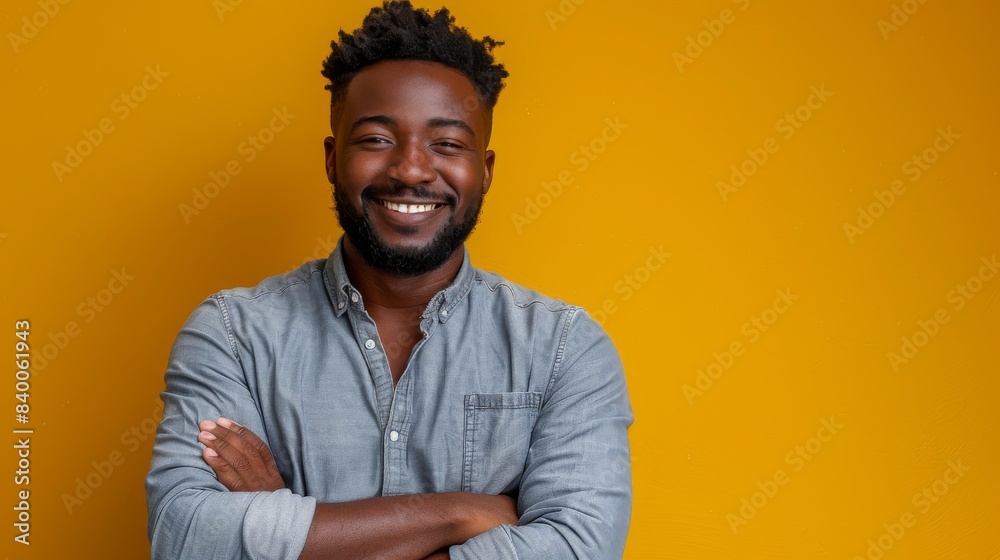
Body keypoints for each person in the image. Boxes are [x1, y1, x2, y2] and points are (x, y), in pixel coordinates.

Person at [145, 2, 633, 558]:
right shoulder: (233, 335)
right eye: (377, 139)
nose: (410, 169)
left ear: (486, 170)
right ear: (332, 159)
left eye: (447, 144)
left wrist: (287, 525)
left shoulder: (565, 350)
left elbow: (578, 548)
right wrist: (465, 512)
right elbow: (185, 537)